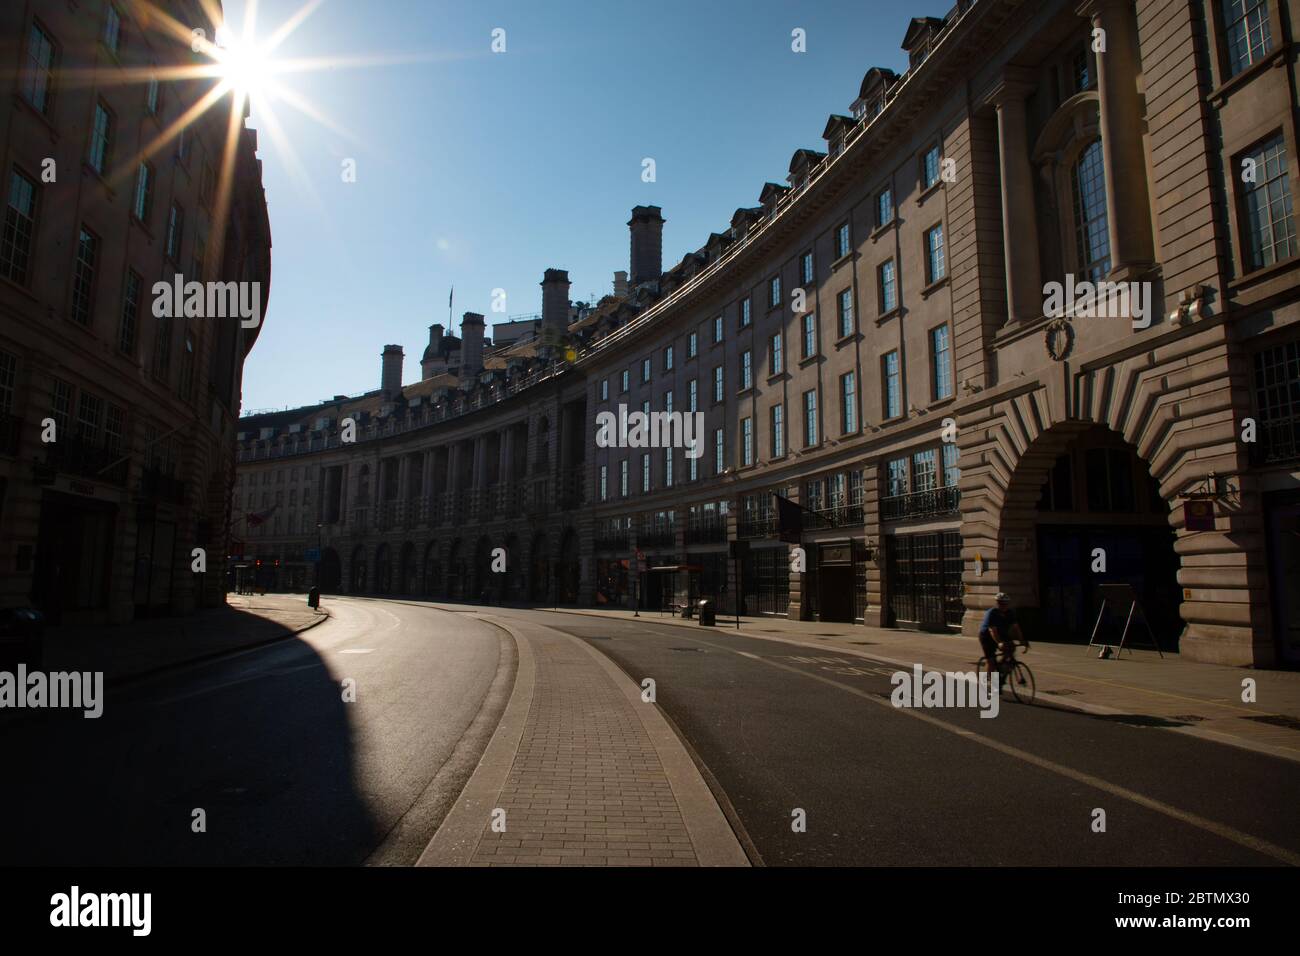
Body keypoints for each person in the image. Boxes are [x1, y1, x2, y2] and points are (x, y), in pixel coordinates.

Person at [979, 592, 1025, 676]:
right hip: (986, 636)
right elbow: (992, 630)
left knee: (1011, 648)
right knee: (991, 662)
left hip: (1001, 633)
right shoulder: (992, 613)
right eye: (1001, 603)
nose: (1004, 606)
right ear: (997, 603)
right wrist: (999, 643)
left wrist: (1022, 640)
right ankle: (987, 680)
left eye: (1005, 604)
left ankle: (1001, 668)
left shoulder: (1010, 613)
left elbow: (1016, 627)